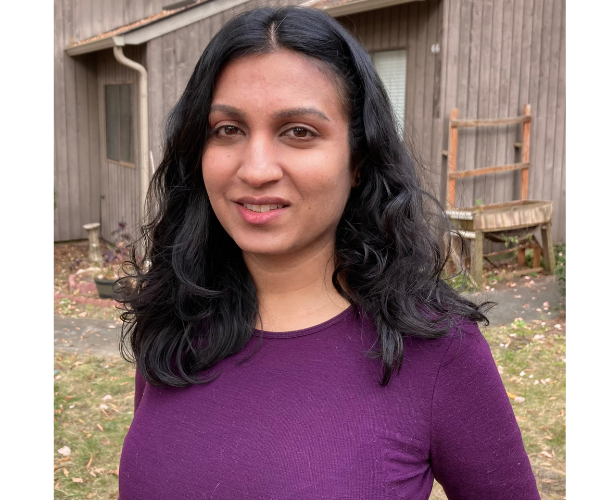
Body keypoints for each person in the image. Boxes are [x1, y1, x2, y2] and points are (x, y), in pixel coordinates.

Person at [114, 5, 540, 499]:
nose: (255, 169)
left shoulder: (437, 351)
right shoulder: (171, 322)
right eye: (228, 129)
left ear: (358, 159)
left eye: (299, 131)